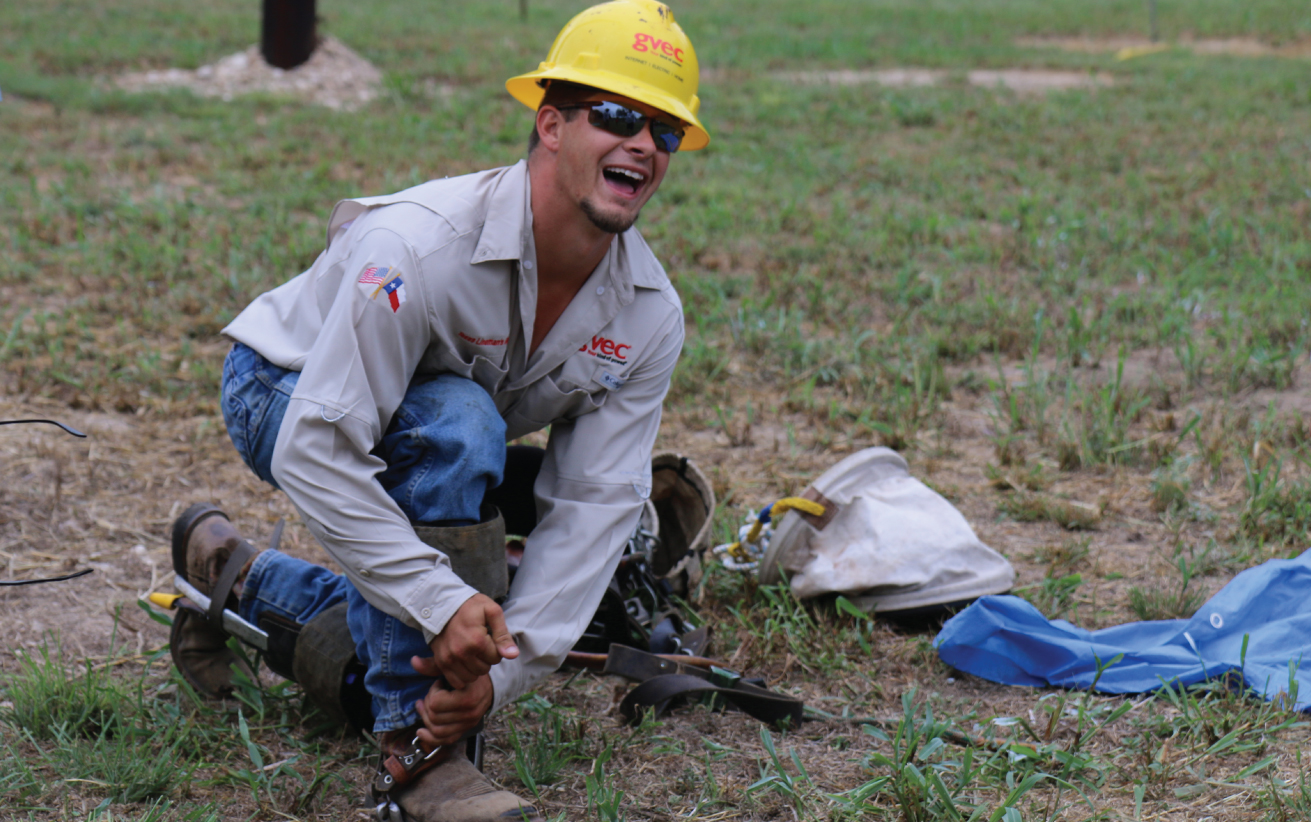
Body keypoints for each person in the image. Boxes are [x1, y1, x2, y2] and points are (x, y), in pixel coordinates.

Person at [167, 1, 710, 820]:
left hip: (431, 426)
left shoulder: (648, 314)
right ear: (552, 125)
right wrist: (442, 602)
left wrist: (502, 673)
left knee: (529, 485)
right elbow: (319, 448)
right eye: (614, 114)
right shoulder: (418, 247)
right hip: (287, 390)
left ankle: (235, 578)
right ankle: (414, 760)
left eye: (663, 129)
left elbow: (596, 503)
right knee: (459, 432)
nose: (641, 142)